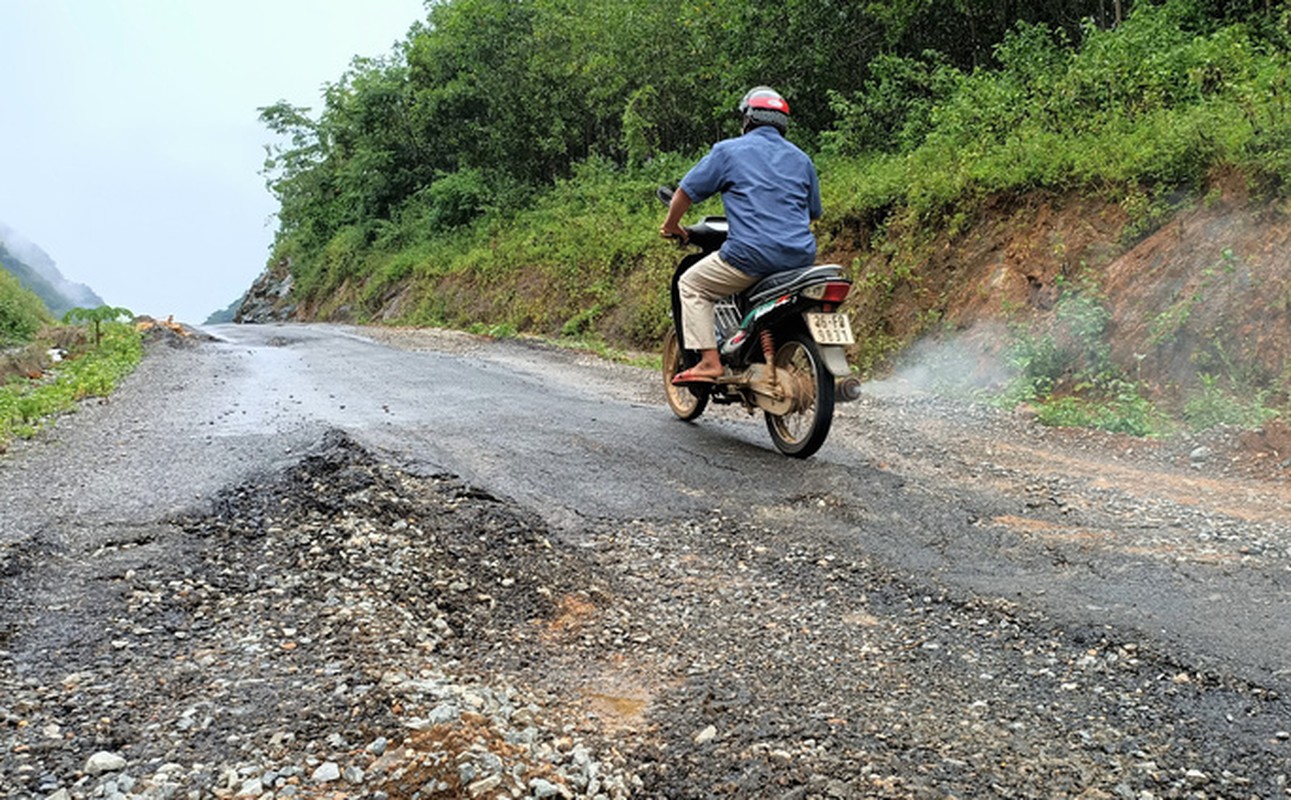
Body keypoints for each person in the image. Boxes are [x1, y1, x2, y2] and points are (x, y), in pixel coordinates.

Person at [660, 85, 823, 385]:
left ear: (748, 119)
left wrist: (673, 227)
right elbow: (812, 213)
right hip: (800, 259)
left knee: (692, 285)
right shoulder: (802, 160)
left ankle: (710, 362)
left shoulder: (728, 151)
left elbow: (685, 192)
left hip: (750, 255)